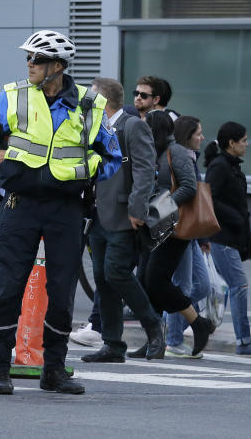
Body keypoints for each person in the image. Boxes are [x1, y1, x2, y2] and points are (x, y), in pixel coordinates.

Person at [0, 30, 121, 395]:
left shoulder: (89, 103)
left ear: (56, 66)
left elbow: (113, 157)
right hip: (19, 205)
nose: (29, 64)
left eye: (36, 59)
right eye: (28, 58)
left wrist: (83, 171)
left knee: (61, 291)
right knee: (7, 288)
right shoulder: (14, 95)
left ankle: (53, 369)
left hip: (66, 210)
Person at [80, 78, 163, 364]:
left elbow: (144, 169)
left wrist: (137, 209)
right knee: (103, 279)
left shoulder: (132, 125)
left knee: (116, 273)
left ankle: (153, 326)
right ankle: (113, 344)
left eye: (91, 97)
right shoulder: (95, 128)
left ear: (103, 100)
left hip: (123, 213)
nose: (86, 102)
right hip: (97, 214)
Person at [134, 111, 215, 359]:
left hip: (172, 227)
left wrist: (163, 206)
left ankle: (197, 322)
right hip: (155, 224)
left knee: (157, 281)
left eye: (147, 128)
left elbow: (189, 187)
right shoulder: (154, 152)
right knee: (146, 282)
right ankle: (154, 340)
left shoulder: (176, 151)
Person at [203, 122, 251, 356]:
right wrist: (234, 217)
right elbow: (209, 199)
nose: (247, 144)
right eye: (244, 140)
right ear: (232, 143)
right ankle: (244, 341)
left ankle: (195, 327)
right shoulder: (220, 167)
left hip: (230, 237)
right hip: (222, 237)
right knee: (238, 285)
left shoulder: (230, 165)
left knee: (218, 288)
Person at [164, 115, 211, 357]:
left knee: (202, 286)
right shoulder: (180, 157)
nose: (202, 137)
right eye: (198, 133)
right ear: (187, 135)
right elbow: (185, 192)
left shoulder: (191, 158)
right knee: (183, 286)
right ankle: (173, 339)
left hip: (191, 230)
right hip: (179, 228)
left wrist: (202, 238)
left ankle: (170, 325)